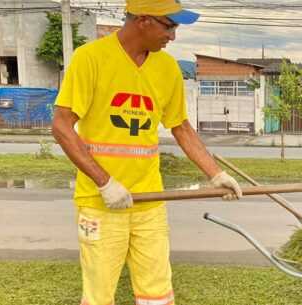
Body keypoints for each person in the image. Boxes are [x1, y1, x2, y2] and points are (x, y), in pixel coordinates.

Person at [51, 1, 243, 304]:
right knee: (98, 294)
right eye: (170, 26)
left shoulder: (167, 68)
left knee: (157, 293)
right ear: (143, 20)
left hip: (150, 202)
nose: (174, 36)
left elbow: (181, 127)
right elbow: (62, 126)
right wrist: (105, 182)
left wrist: (215, 173)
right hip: (101, 203)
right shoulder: (91, 58)